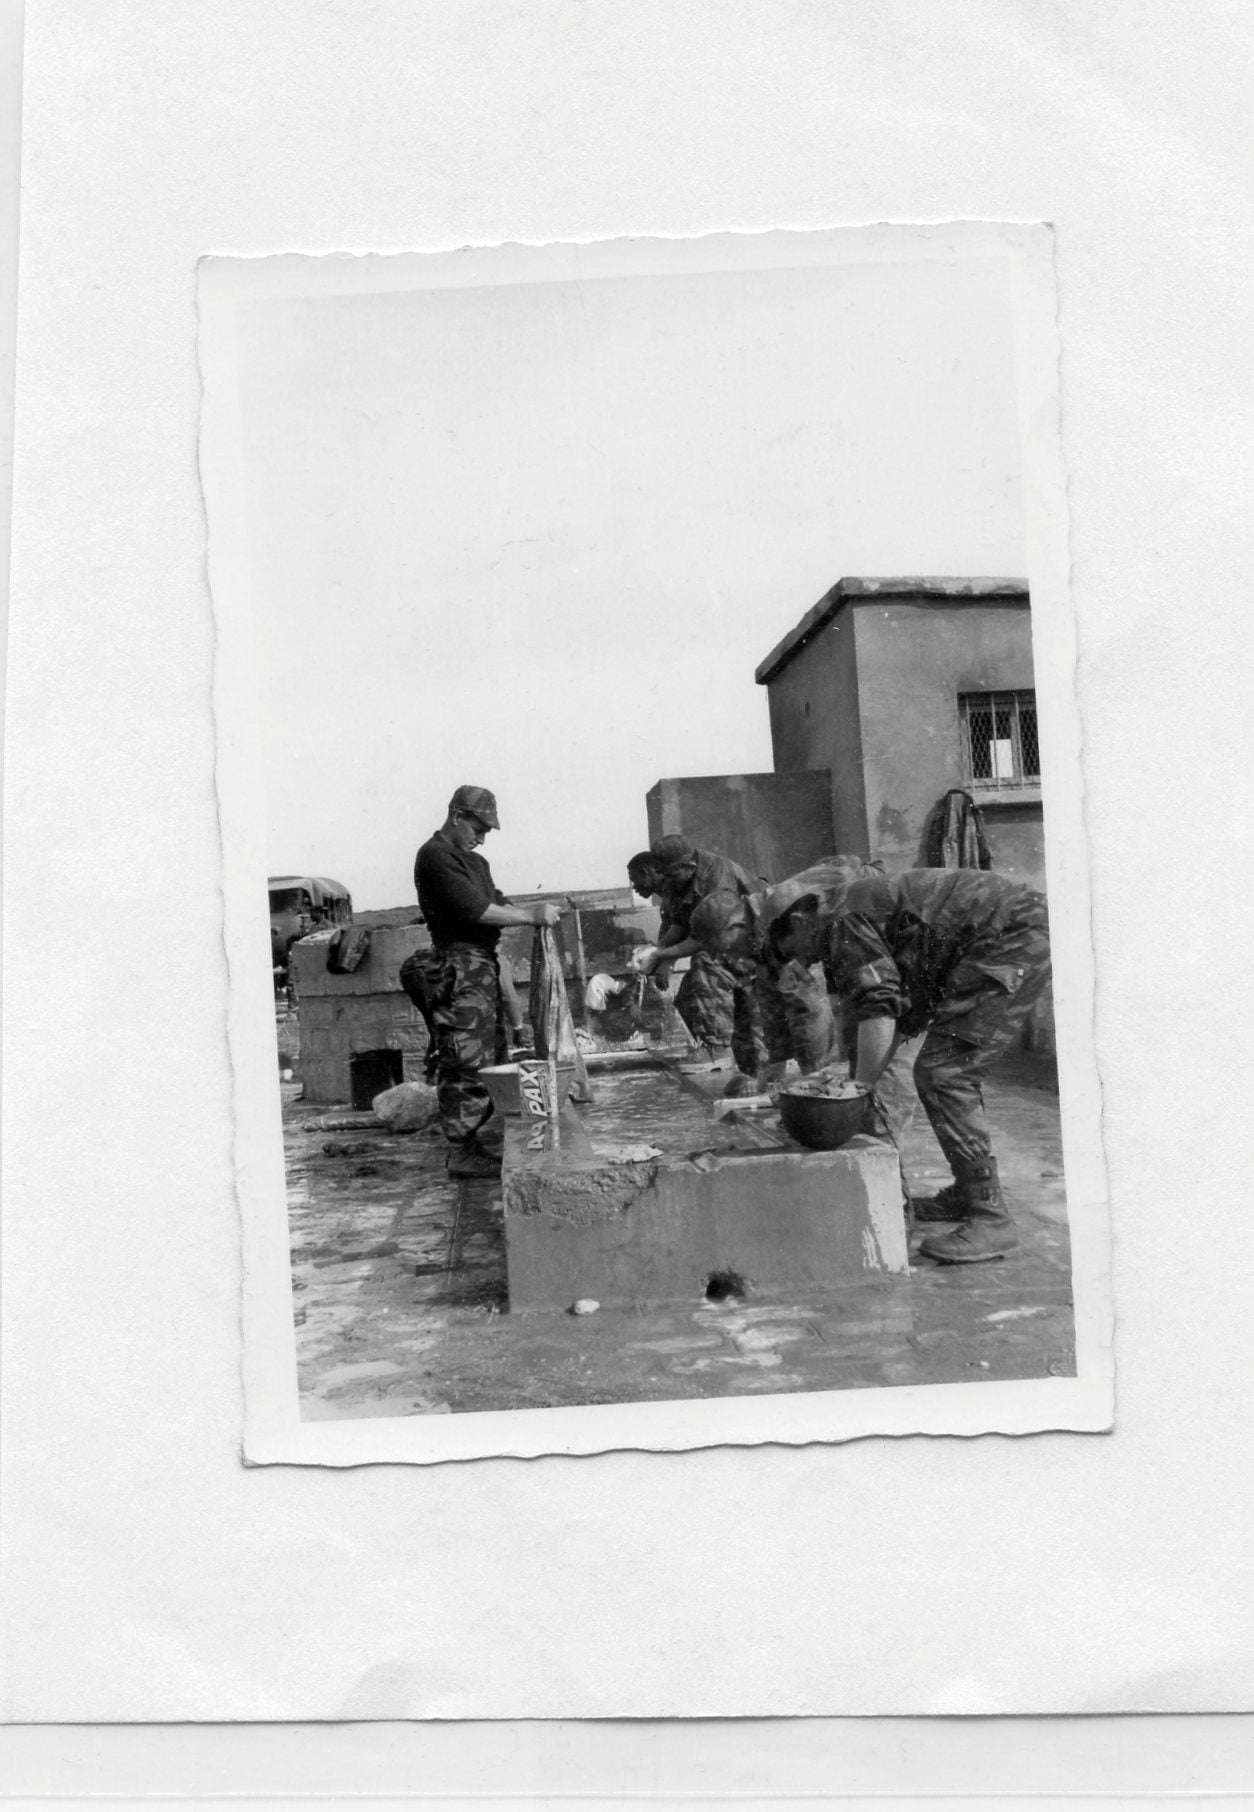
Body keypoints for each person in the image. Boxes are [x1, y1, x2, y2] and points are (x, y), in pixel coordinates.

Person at [762, 866, 1051, 1264]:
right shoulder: (851, 913)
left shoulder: (838, 923)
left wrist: (854, 1091)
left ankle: (991, 1218)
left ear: (798, 921)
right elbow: (898, 1013)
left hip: (1008, 934)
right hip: (1002, 930)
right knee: (948, 1067)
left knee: (945, 1073)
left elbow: (878, 1010)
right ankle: (969, 1193)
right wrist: (858, 1082)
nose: (804, 960)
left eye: (794, 949)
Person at [402, 786, 561, 1178]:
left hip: (482, 965)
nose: (482, 836)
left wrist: (530, 912)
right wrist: (531, 917)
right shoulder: (435, 855)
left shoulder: (475, 861)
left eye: (488, 830)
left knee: (493, 1055)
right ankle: (461, 1149)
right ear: (457, 816)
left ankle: (477, 1136)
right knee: (467, 1060)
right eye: (478, 826)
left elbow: (496, 900)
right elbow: (474, 909)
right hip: (459, 964)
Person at [625, 838, 764, 1071]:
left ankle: (717, 1049)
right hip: (732, 945)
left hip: (758, 945)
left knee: (706, 962)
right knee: (687, 998)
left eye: (668, 876)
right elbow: (679, 923)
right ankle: (720, 1047)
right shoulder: (679, 877)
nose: (666, 885)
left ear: (686, 867)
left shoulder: (716, 878)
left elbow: (705, 938)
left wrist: (661, 956)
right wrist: (657, 950)